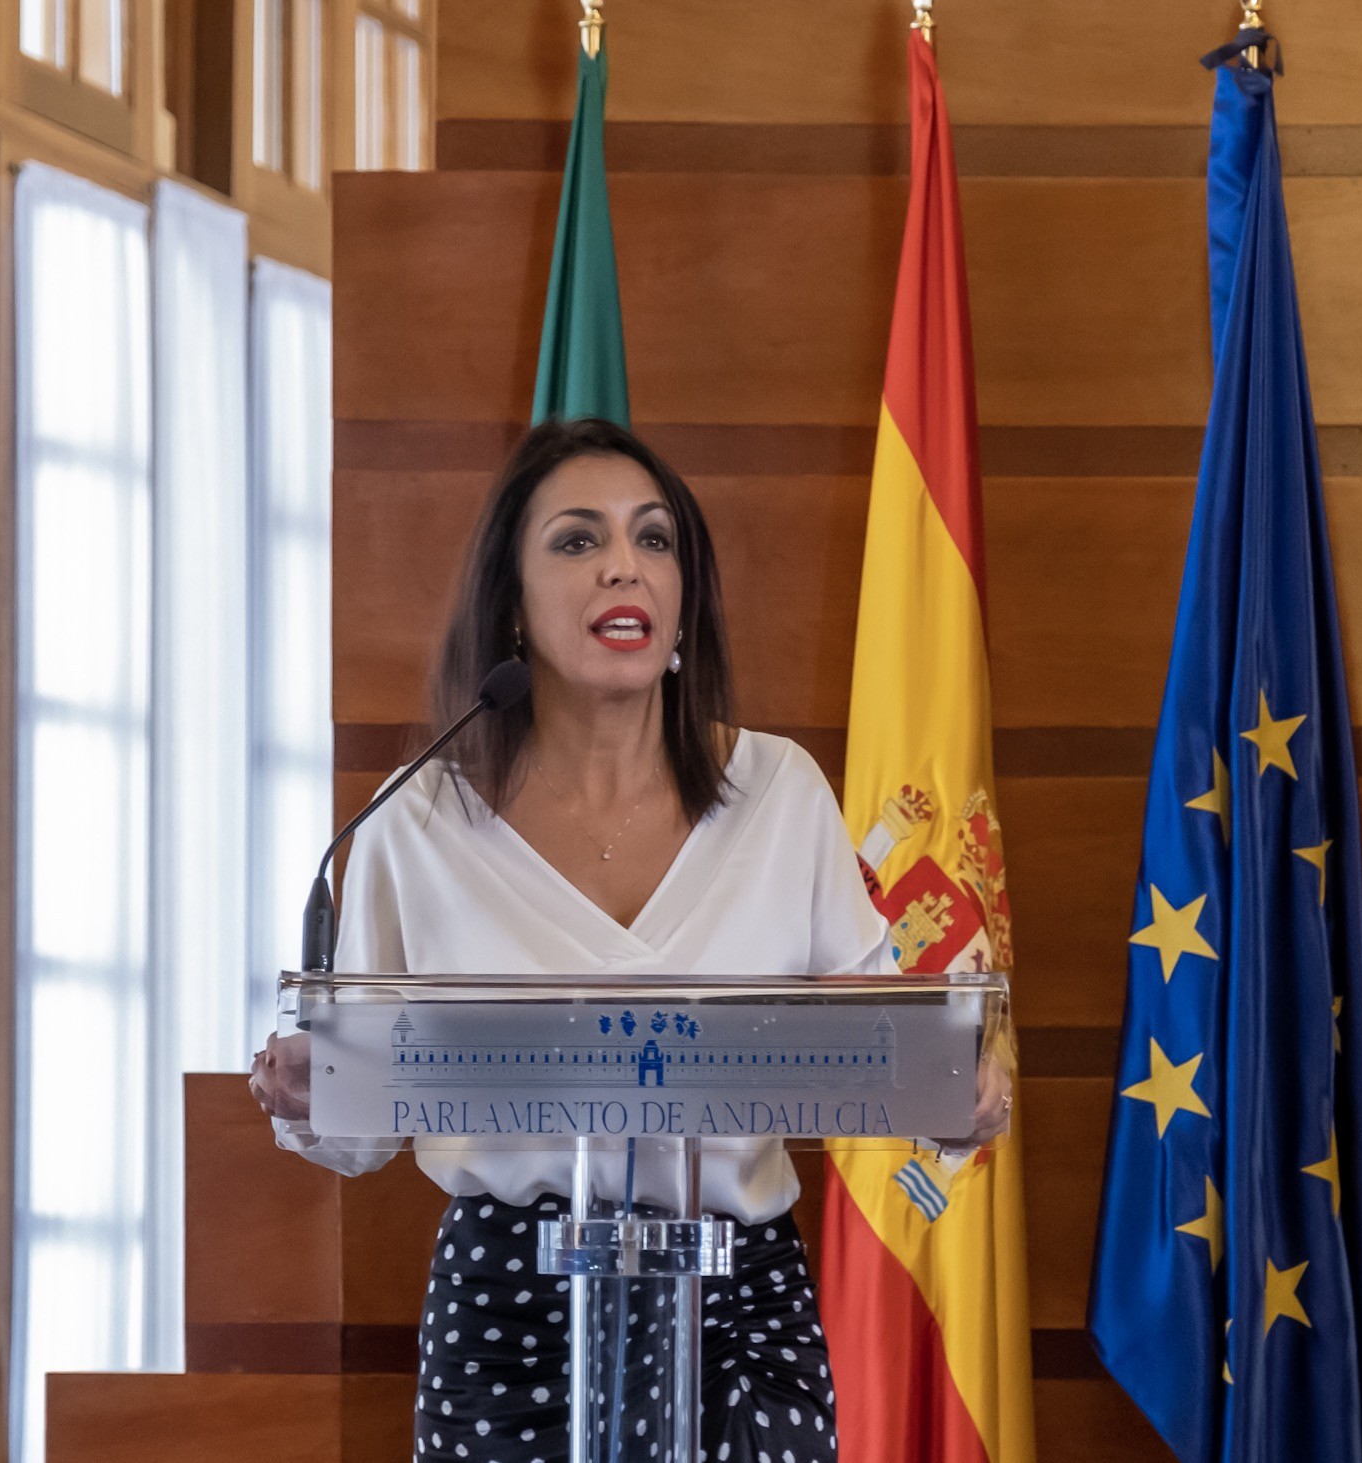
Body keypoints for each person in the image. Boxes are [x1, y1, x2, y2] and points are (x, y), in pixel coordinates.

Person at [250, 418, 1003, 1463]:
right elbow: (359, 1125)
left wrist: (957, 1091)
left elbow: (878, 1052)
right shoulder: (412, 822)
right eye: (576, 540)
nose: (624, 565)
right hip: (507, 1319)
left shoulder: (780, 796)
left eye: (654, 540)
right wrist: (306, 1085)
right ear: (508, 601)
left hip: (740, 1307)